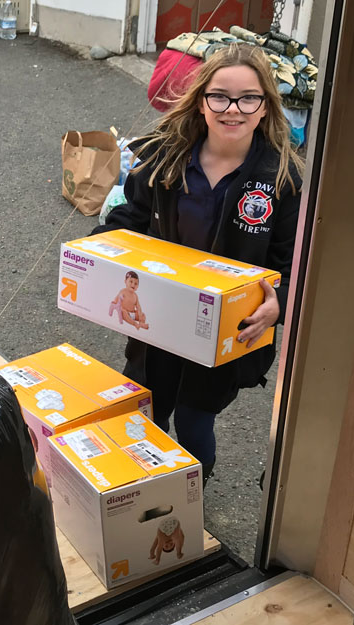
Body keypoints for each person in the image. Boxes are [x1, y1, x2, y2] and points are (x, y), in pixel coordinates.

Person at [93, 44, 302, 481]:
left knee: (193, 420)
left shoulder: (282, 179)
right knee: (147, 409)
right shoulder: (165, 157)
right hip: (158, 320)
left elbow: (294, 262)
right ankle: (144, 489)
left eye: (248, 98)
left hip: (226, 332)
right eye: (220, 96)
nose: (233, 109)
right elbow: (128, 219)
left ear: (265, 107)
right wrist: (96, 258)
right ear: (202, 102)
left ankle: (190, 491)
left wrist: (280, 302)